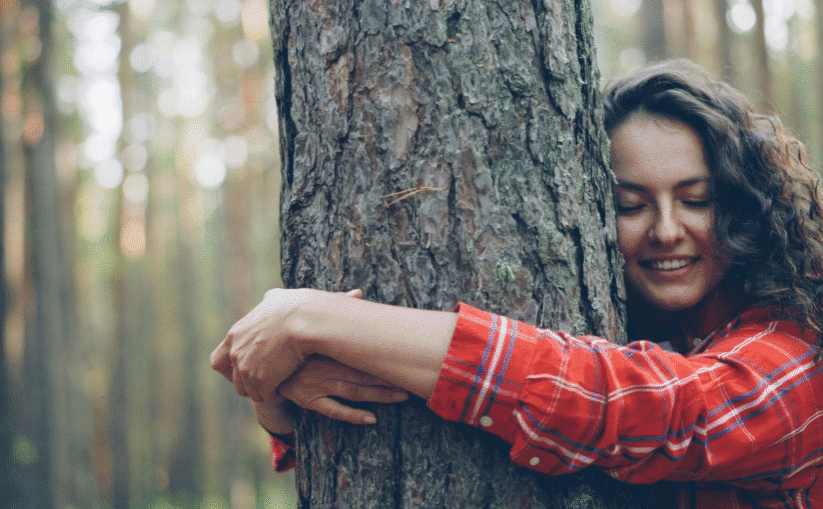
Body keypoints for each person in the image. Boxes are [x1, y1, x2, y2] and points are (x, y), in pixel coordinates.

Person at [211, 59, 823, 508]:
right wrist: (279, 397)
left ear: (743, 205)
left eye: (697, 200)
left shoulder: (798, 355)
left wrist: (317, 322)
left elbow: (654, 410)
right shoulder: (637, 327)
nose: (667, 231)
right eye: (630, 205)